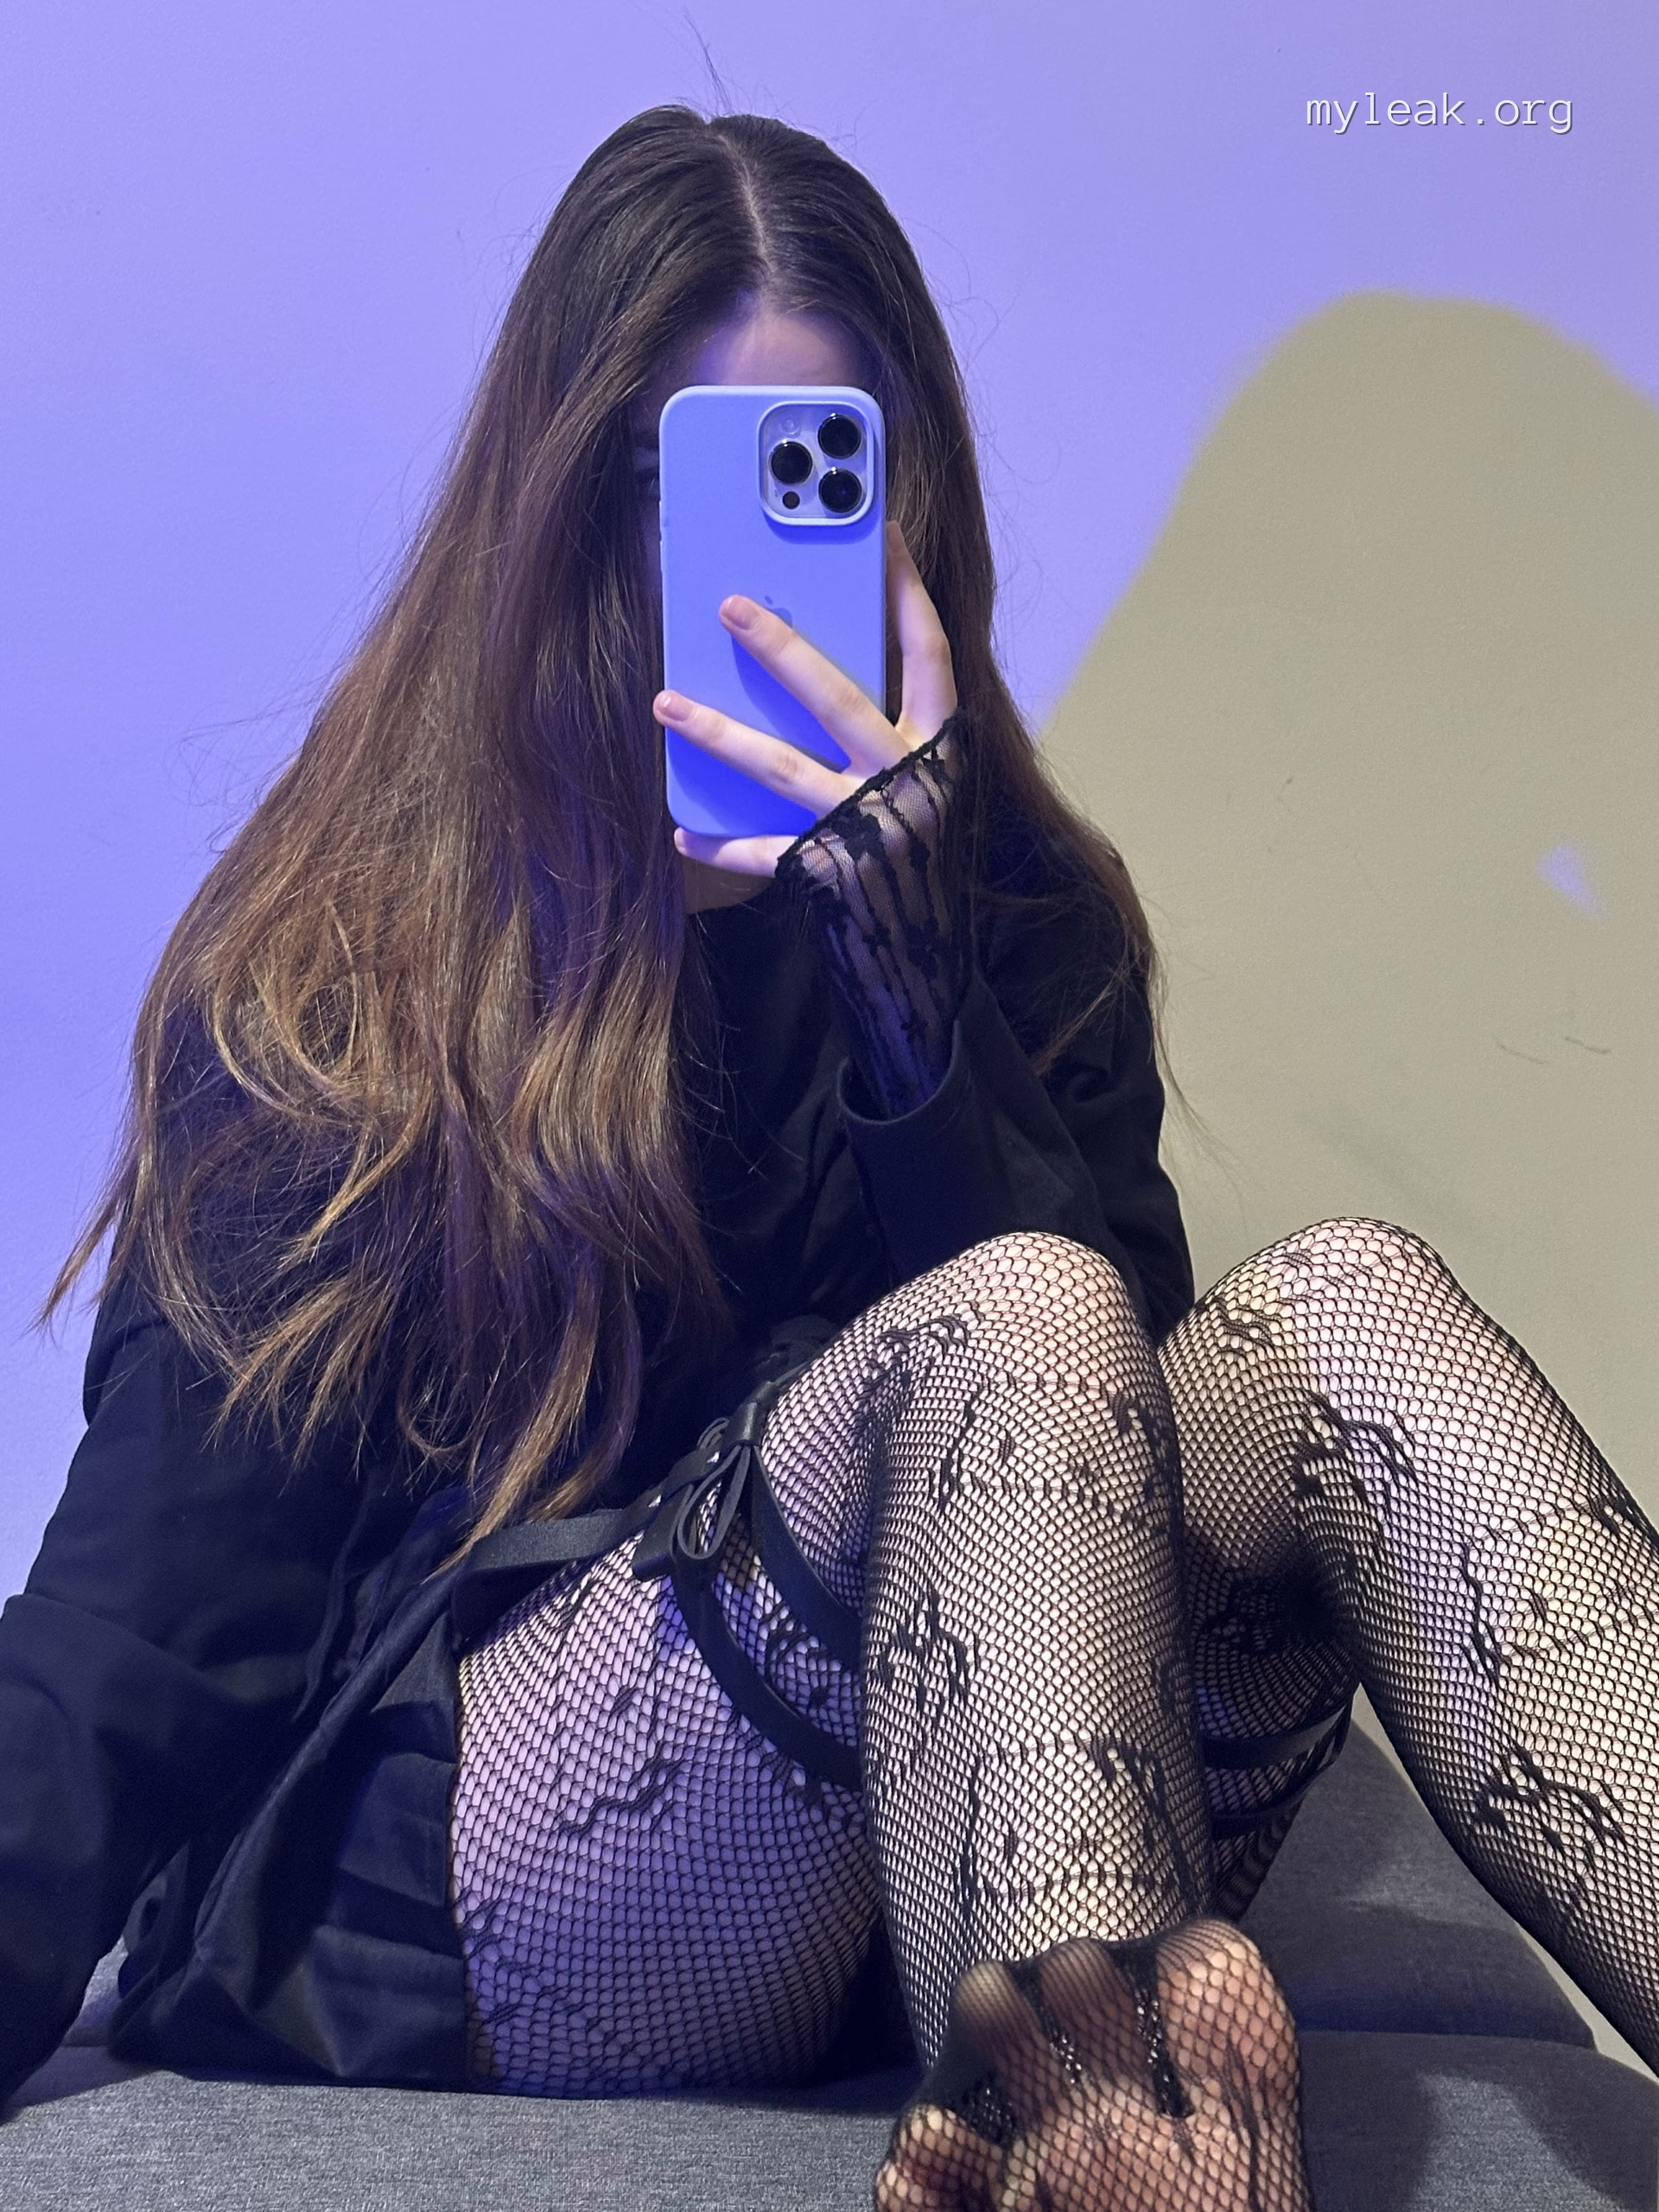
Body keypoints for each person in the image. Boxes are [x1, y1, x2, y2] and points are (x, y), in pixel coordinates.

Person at [1, 104, 1656, 2212]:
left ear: (910, 510)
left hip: (968, 1831)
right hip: (513, 1847)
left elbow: (1105, 1472)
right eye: (679, 486)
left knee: (1351, 1306)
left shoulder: (1020, 916)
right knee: (1021, 1309)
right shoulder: (356, 965)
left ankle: (1091, 2122)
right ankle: (1110, 2142)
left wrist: (914, 1012)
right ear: (561, 520)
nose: (744, 571)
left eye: (826, 477)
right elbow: (145, 1631)